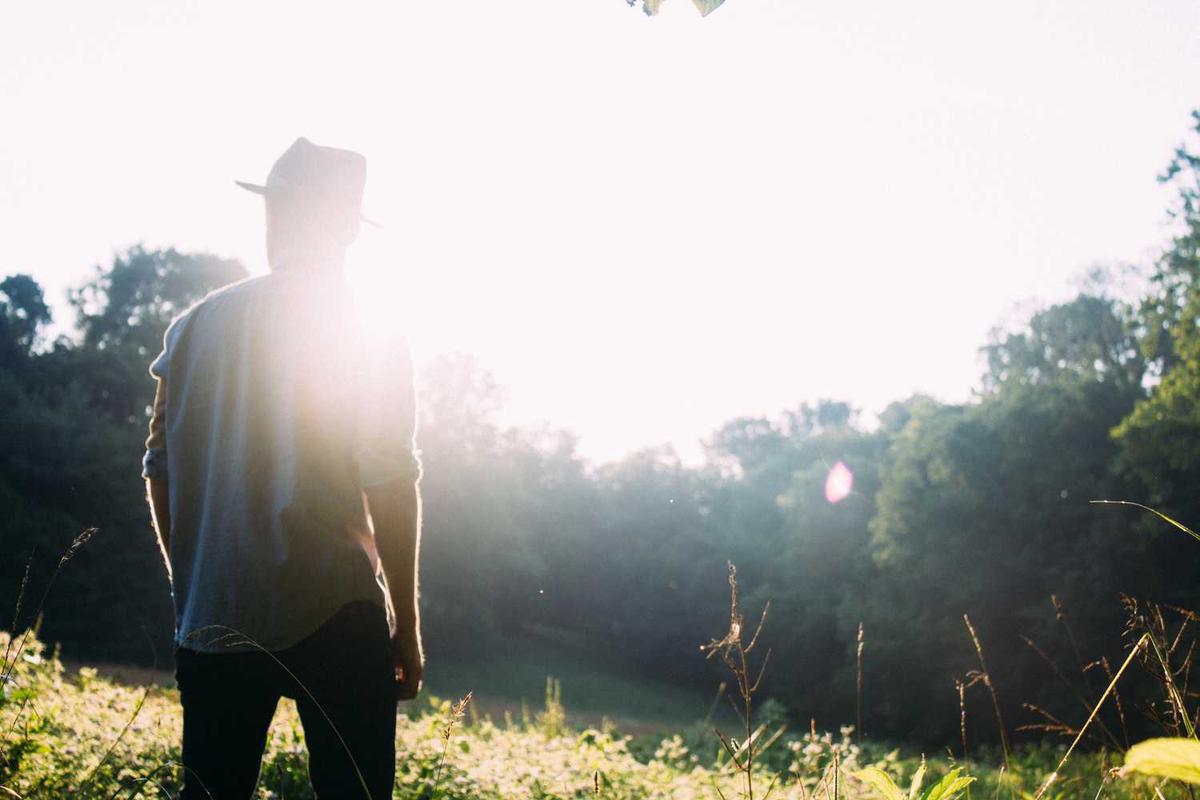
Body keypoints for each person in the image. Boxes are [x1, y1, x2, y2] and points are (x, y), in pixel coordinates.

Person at [143, 137, 424, 799]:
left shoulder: (193, 327)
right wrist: (405, 629)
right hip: (336, 610)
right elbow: (389, 479)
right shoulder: (369, 326)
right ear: (348, 229)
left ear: (279, 214)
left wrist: (192, 587)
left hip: (216, 615)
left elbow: (158, 470)